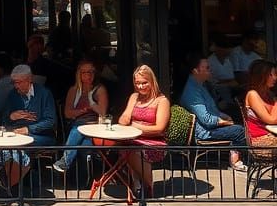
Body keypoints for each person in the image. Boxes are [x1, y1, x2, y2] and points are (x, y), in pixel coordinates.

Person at [179, 55, 246, 171]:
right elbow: (207, 120)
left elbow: (212, 110)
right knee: (240, 131)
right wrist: (226, 122)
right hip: (205, 132)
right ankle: (236, 161)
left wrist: (224, 116)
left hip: (210, 127)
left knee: (237, 120)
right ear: (196, 71)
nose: (210, 70)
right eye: (207, 68)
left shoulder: (201, 86)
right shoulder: (192, 92)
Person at [119, 65, 171, 197]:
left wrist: (136, 127)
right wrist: (125, 119)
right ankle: (138, 184)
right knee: (120, 146)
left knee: (132, 149)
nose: (140, 87)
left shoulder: (161, 101)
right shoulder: (134, 97)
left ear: (152, 81)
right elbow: (124, 119)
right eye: (137, 83)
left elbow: (159, 128)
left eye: (144, 83)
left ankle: (147, 185)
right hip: (134, 139)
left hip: (155, 142)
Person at [53, 60, 108, 173]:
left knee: (78, 130)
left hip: (94, 127)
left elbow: (102, 113)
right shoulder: (74, 90)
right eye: (85, 72)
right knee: (84, 145)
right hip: (77, 124)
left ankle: (65, 161)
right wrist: (83, 111)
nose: (89, 75)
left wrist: (92, 104)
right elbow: (67, 113)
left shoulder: (100, 90)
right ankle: (86, 178)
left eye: (91, 72)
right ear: (79, 74)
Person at [3, 64, 56, 147]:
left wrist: (29, 129)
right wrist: (11, 117)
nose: (16, 86)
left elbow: (50, 121)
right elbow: (3, 121)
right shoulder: (12, 94)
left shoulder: (44, 93)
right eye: (14, 83)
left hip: (40, 136)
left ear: (29, 79)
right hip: (16, 134)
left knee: (19, 142)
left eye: (19, 82)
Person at [243, 59, 277, 157]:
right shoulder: (253, 95)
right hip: (261, 141)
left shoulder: (269, 94)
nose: (275, 78)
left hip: (273, 136)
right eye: (271, 75)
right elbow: (271, 120)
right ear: (261, 76)